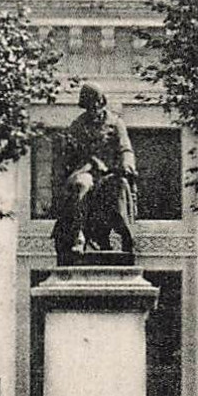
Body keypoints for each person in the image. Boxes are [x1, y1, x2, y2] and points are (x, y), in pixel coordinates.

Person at [52, 81, 138, 264]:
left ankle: (127, 235)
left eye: (96, 103)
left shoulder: (116, 124)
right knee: (81, 185)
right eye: (89, 105)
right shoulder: (77, 126)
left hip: (110, 173)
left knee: (119, 187)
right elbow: (68, 156)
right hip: (87, 171)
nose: (94, 108)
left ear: (102, 102)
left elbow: (125, 149)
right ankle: (79, 235)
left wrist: (127, 165)